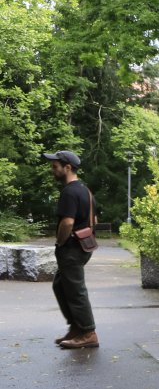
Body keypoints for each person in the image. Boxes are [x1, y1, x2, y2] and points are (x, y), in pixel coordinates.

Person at [44, 150, 98, 350]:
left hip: (72, 248)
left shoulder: (69, 192)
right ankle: (76, 328)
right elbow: (94, 220)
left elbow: (67, 222)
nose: (53, 170)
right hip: (83, 245)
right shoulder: (85, 190)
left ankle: (88, 333)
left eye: (55, 166)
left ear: (67, 167)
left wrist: (60, 243)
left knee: (75, 291)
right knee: (60, 285)